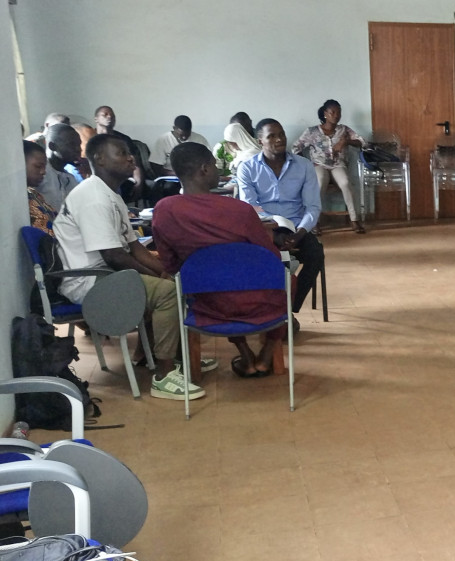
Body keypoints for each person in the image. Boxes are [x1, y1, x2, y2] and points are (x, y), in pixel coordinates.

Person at [53, 134, 207, 401]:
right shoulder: (92, 197)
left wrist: (166, 272)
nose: (131, 158)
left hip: (110, 274)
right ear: (98, 159)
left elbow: (135, 248)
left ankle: (184, 359)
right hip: (90, 282)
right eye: (122, 153)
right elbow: (114, 256)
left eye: (130, 153)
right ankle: (164, 375)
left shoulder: (110, 194)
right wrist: (161, 278)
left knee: (175, 283)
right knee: (167, 293)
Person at [154, 143, 287, 377]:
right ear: (205, 169)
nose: (217, 170)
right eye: (215, 165)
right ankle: (268, 351)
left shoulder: (164, 210)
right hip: (259, 302)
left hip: (206, 303)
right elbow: (271, 258)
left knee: (219, 283)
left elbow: (170, 263)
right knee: (287, 279)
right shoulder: (239, 210)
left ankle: (244, 351)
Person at [237, 118, 324, 313]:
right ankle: (262, 308)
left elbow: (312, 206)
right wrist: (273, 231)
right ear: (260, 141)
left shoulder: (304, 166)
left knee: (315, 254)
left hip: (296, 228)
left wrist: (300, 233)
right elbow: (249, 207)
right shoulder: (247, 168)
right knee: (254, 257)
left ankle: (289, 309)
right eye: (272, 136)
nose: (279, 140)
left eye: (281, 134)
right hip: (264, 229)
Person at [291, 99, 369, 233]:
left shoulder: (344, 130)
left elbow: (363, 142)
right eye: (333, 112)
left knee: (345, 183)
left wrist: (346, 142)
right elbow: (295, 148)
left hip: (338, 165)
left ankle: (354, 220)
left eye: (339, 112)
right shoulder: (312, 131)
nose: (336, 115)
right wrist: (307, 164)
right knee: (319, 182)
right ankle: (315, 221)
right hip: (319, 165)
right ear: (325, 114)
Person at [94, 106, 147, 200]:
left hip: (122, 178)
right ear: (96, 119)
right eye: (105, 115)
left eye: (112, 115)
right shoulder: (90, 138)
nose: (109, 117)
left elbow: (135, 163)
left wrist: (138, 182)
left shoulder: (123, 139)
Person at [37, 123, 82, 212]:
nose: (78, 149)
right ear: (52, 146)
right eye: (71, 144)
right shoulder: (40, 175)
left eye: (79, 144)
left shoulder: (70, 179)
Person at [24, 141, 56, 235]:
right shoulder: (14, 200)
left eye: (44, 167)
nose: (43, 172)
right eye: (38, 166)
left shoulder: (34, 194)